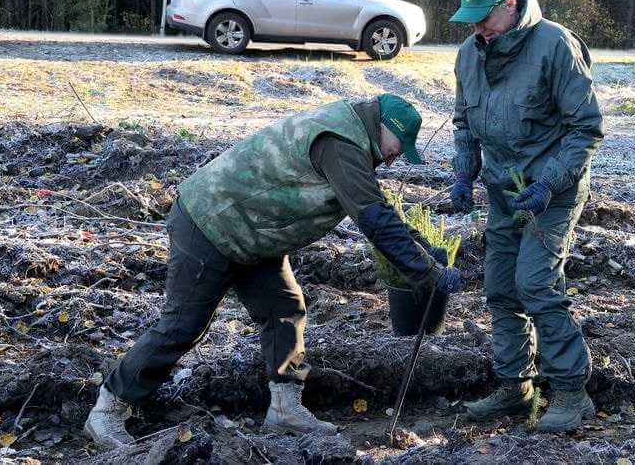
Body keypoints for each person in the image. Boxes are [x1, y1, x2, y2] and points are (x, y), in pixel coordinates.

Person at [84, 93, 461, 447]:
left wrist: (426, 250)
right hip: (211, 221)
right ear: (385, 128)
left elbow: (374, 203)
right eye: (399, 149)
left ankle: (285, 409)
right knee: (183, 323)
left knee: (284, 310)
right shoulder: (341, 144)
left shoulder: (351, 136)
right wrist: (426, 273)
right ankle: (109, 406)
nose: (396, 159)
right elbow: (373, 218)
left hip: (251, 231)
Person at [448, 0, 604, 432]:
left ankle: (573, 392)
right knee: (500, 287)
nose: (478, 27)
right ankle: (515, 387)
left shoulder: (555, 45)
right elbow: (463, 121)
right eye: (470, 19)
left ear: (510, 5)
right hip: (502, 192)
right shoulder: (468, 55)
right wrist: (463, 172)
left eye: (485, 17)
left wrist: (550, 183)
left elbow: (586, 128)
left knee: (536, 284)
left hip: (550, 192)